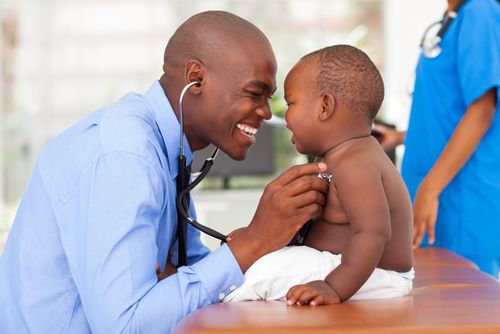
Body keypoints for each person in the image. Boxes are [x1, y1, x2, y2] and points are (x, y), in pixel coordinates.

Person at [0, 11, 329, 333]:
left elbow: (186, 277)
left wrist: (256, 243)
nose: (264, 112)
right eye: (255, 93)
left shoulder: (167, 151)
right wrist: (254, 241)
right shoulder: (125, 156)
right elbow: (127, 324)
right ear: (196, 78)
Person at [223, 45, 414, 305]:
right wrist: (256, 241)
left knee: (261, 274)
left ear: (324, 106)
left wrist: (333, 287)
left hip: (371, 274)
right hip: (345, 266)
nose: (284, 116)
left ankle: (203, 298)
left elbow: (373, 233)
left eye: (291, 103)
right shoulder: (335, 157)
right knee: (257, 261)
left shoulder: (356, 164)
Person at [374, 0, 499, 277]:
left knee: (466, 308)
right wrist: (400, 137)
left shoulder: (479, 10)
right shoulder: (453, 18)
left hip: (460, 199)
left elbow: (482, 110)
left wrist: (429, 189)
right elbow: (449, 112)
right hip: (436, 196)